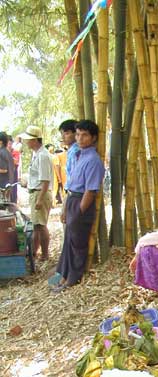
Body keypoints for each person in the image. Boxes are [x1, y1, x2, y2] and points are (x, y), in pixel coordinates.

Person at [54, 119, 105, 289]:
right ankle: (63, 276)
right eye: (77, 134)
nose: (80, 138)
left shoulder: (93, 160)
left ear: (93, 138)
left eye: (84, 135)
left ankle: (72, 279)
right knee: (69, 240)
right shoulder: (78, 155)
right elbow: (70, 185)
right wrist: (65, 208)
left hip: (82, 201)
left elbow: (90, 190)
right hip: (72, 198)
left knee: (78, 243)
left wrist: (79, 212)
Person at [20, 126, 53, 261]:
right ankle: (34, 252)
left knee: (41, 225)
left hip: (40, 193)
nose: (26, 142)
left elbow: (45, 180)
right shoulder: (37, 154)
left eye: (28, 140)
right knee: (36, 225)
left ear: (34, 140)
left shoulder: (43, 156)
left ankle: (45, 254)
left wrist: (39, 199)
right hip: (36, 192)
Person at [59, 119, 79, 192]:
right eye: (62, 134)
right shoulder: (70, 151)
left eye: (66, 133)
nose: (63, 137)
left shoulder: (76, 151)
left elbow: (75, 176)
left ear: (76, 134)